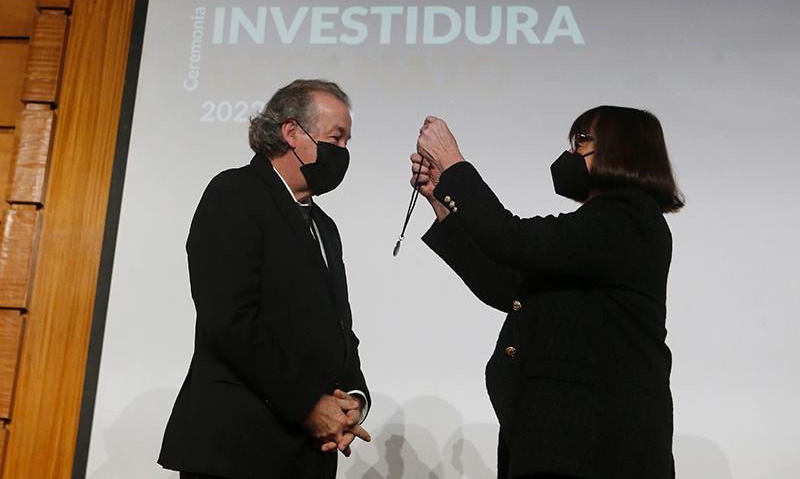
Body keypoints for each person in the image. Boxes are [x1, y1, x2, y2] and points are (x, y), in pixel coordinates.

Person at [411, 106, 683, 479]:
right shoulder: (601, 229)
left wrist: (453, 163)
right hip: (563, 442)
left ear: (620, 149)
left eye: (581, 141)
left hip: (595, 447)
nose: (570, 152)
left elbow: (510, 237)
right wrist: (444, 205)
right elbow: (510, 288)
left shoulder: (628, 219)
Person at [159, 79, 371, 479]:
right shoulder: (235, 194)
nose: (343, 152)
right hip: (238, 452)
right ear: (292, 132)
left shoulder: (325, 227)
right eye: (335, 138)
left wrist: (354, 399)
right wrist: (309, 405)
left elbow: (337, 328)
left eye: (347, 142)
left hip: (306, 458)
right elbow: (231, 320)